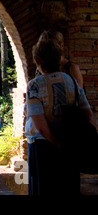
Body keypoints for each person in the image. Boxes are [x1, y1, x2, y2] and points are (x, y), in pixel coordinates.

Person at [25, 39, 93, 195]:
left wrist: (57, 143)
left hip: (42, 148)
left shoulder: (35, 85)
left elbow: (41, 127)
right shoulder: (72, 82)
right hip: (70, 144)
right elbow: (87, 114)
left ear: (37, 60)